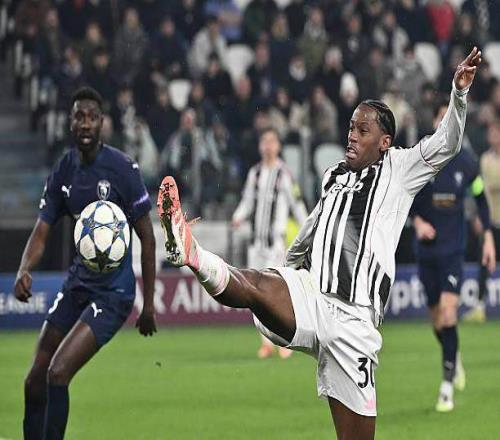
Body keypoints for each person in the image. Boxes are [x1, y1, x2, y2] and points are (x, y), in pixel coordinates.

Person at [157, 48, 481, 439]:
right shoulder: (334, 176)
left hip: (354, 319)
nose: (352, 135)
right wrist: (286, 270)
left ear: (384, 141)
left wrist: (458, 93)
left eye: (363, 130)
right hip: (312, 295)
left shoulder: (401, 168)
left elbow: (448, 143)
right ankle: (190, 252)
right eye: (351, 127)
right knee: (256, 285)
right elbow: (312, 227)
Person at [14, 87, 157, 440]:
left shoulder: (122, 169)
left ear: (102, 123)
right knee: (34, 381)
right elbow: (41, 231)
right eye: (79, 116)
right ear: (70, 122)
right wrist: (24, 269)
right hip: (78, 284)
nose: (85, 123)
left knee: (58, 373)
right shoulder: (64, 170)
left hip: (113, 294)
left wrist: (149, 304)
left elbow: (148, 238)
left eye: (92, 117)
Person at [411, 101, 496, 412]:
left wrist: (488, 237)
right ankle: (453, 354)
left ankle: (446, 387)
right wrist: (417, 223)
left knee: (449, 314)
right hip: (426, 253)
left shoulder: (467, 163)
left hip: (452, 251)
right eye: (442, 118)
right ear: (436, 122)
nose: (446, 124)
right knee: (438, 321)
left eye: (451, 119)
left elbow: (481, 200)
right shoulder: (421, 158)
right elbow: (405, 198)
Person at [232, 128, 308, 359]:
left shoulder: (284, 174)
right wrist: (238, 216)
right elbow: (247, 201)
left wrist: (308, 228)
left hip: (276, 244)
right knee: (254, 293)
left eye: (272, 141)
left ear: (278, 146)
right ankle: (265, 342)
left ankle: (283, 341)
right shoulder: (254, 173)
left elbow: (296, 203)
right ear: (260, 146)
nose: (268, 146)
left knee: (276, 292)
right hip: (256, 244)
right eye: (264, 141)